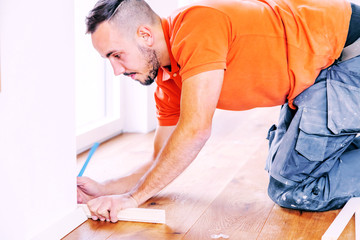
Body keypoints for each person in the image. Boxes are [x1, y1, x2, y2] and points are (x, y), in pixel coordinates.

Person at [77, 0, 360, 223]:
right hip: (317, 72)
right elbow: (160, 158)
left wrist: (134, 198)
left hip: (347, 52)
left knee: (291, 188)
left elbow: (196, 129)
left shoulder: (195, 26)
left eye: (116, 55)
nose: (115, 70)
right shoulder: (167, 79)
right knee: (281, 165)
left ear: (145, 35)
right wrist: (107, 188)